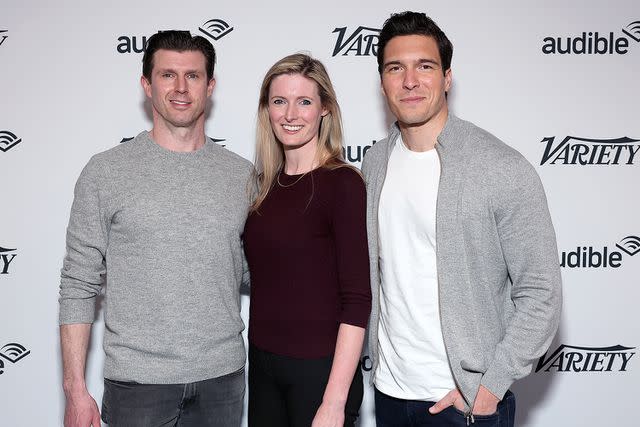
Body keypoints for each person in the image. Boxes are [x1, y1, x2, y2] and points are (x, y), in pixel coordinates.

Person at [361, 11, 562, 427]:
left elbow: (541, 292)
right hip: (389, 392)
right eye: (396, 68)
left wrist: (489, 385)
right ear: (382, 81)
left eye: (425, 66)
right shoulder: (374, 163)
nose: (410, 81)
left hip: (464, 405)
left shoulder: (501, 167)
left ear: (447, 77)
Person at [58, 30, 252, 427]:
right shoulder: (106, 172)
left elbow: (255, 270)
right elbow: (78, 283)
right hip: (137, 386)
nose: (180, 88)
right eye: (167, 75)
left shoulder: (242, 176)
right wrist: (76, 391)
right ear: (147, 84)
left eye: (193, 76)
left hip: (222, 381)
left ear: (210, 85)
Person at [242, 53, 371, 427]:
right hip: (264, 369)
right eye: (279, 101)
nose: (290, 114)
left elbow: (357, 299)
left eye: (304, 102)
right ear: (267, 110)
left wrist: (334, 401)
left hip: (320, 377)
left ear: (324, 109)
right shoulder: (264, 186)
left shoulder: (343, 184)